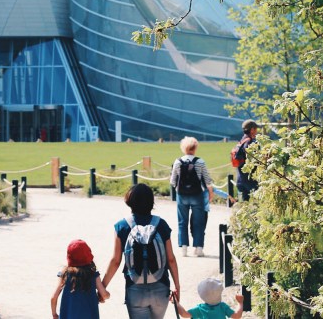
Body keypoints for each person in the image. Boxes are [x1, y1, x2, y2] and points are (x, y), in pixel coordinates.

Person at [102, 183, 181, 319]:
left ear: (130, 201)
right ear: (151, 202)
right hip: (161, 286)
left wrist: (102, 286)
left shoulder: (122, 226)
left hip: (134, 288)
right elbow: (171, 259)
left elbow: (115, 261)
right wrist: (177, 286)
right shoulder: (161, 224)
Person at [170, 136, 214, 257]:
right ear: (195, 148)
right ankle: (198, 248)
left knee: (182, 222)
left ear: (183, 148)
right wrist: (210, 192)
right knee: (198, 222)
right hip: (197, 195)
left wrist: (179, 188)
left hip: (182, 195)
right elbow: (207, 180)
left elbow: (173, 181)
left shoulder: (178, 162)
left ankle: (183, 248)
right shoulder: (200, 162)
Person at [50, 239, 110, 319]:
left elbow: (54, 298)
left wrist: (54, 314)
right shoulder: (93, 274)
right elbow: (104, 295)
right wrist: (105, 295)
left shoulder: (65, 274)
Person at [172, 277, 244, 318]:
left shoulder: (200, 309)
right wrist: (240, 303)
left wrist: (176, 302)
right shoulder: (223, 307)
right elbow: (237, 316)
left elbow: (184, 314)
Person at [235, 120, 259, 201]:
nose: (256, 131)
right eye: (256, 129)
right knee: (257, 205)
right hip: (249, 180)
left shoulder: (241, 141)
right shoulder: (249, 142)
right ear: (252, 130)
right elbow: (249, 153)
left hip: (240, 179)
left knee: (245, 206)